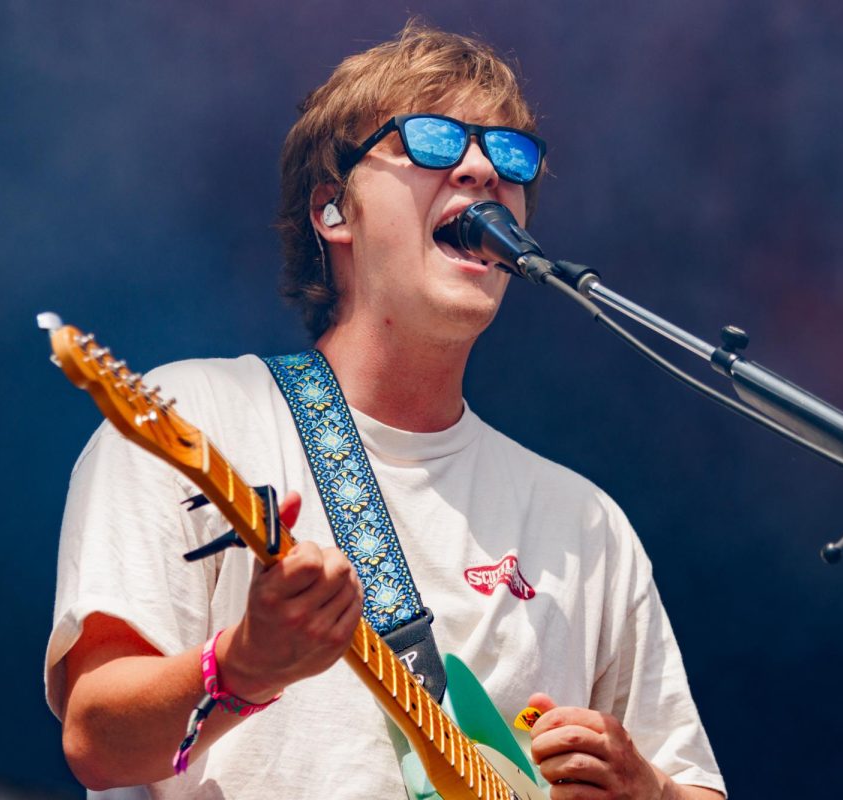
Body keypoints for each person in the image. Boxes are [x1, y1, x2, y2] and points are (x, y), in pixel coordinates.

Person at [45, 21, 726, 800]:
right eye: (433, 140)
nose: (481, 169)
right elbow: (96, 740)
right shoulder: (194, 418)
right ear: (334, 211)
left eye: (510, 156)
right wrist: (244, 666)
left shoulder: (584, 522)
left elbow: (693, 784)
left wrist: (650, 791)